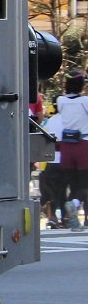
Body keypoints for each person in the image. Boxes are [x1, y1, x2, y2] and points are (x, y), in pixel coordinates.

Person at [55, 70, 88, 231]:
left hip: (66, 147)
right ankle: (74, 204)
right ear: (82, 85)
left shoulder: (60, 101)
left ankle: (71, 220)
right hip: (84, 145)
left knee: (71, 184)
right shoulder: (85, 101)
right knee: (85, 184)